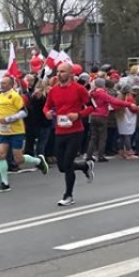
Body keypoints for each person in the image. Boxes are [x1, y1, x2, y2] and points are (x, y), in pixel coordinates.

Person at [43, 63, 95, 206]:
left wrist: (78, 115)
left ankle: (68, 195)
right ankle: (84, 166)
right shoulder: (53, 91)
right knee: (62, 167)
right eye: (58, 72)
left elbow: (91, 107)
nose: (59, 74)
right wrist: (46, 112)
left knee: (67, 164)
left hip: (76, 131)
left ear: (71, 74)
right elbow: (47, 106)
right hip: (59, 131)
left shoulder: (79, 89)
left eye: (63, 72)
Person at [0, 74, 48, 193]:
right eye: (1, 83)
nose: (1, 85)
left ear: (11, 85)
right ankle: (5, 183)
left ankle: (38, 161)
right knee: (1, 154)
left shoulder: (15, 96)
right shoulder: (0, 96)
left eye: (4, 83)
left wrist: (8, 119)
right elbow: (1, 112)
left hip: (16, 130)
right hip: (3, 131)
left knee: (19, 159)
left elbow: (24, 113)